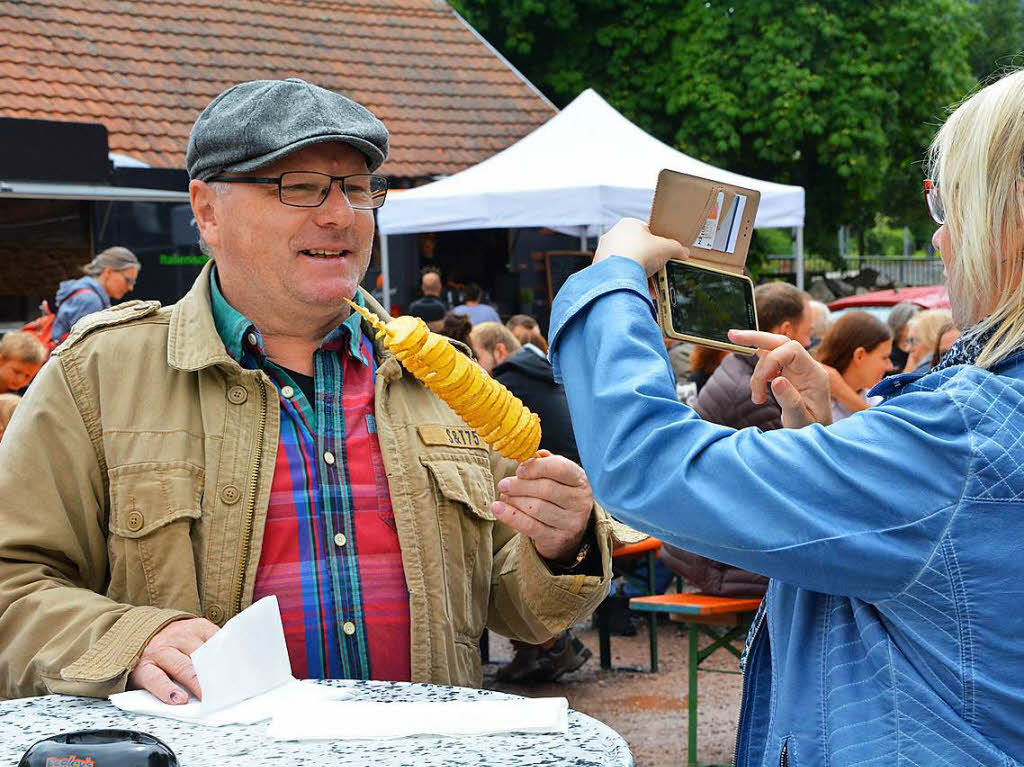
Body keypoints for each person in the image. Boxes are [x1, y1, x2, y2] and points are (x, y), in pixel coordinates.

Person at [0, 77, 620, 703]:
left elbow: (515, 605)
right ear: (207, 211)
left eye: (356, 188)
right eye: (298, 188)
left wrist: (561, 545)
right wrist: (130, 637)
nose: (340, 215)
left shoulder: (441, 379)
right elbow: (12, 586)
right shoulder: (99, 375)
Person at [548, 68, 1024, 765]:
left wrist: (611, 281)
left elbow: (644, 463)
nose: (942, 243)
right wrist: (822, 436)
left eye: (948, 208)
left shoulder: (965, 435)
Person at [469, 322, 591, 682]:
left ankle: (549, 645)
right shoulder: (545, 373)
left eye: (476, 356)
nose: (471, 364)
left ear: (499, 352)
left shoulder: (508, 384)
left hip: (564, 495)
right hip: (580, 488)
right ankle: (552, 643)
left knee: (502, 518)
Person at [694, 281, 812, 431]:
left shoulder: (739, 361)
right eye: (809, 332)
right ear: (785, 331)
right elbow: (794, 452)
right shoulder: (754, 395)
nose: (809, 343)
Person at [814, 311, 892, 421]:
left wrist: (844, 393)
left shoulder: (873, 398)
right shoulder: (811, 398)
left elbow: (884, 426)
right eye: (884, 357)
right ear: (859, 355)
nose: (890, 366)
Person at [51, 246, 140, 343]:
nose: (130, 288)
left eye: (133, 282)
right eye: (128, 280)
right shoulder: (90, 300)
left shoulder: (86, 292)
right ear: (108, 272)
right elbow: (84, 349)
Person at [902, 307, 954, 373]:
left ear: (933, 339)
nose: (907, 348)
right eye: (907, 341)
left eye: (913, 341)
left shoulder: (924, 374)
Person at [886, 300, 919, 373]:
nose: (914, 326)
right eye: (910, 323)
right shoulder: (886, 349)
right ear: (899, 324)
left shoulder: (921, 345)